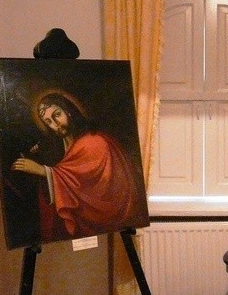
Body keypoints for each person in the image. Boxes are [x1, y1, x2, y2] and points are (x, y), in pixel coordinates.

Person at [11, 91, 144, 242]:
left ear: (68, 111)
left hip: (108, 213)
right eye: (48, 121)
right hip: (81, 221)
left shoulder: (94, 141)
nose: (55, 124)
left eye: (57, 115)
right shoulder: (60, 146)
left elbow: (83, 180)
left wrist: (42, 170)